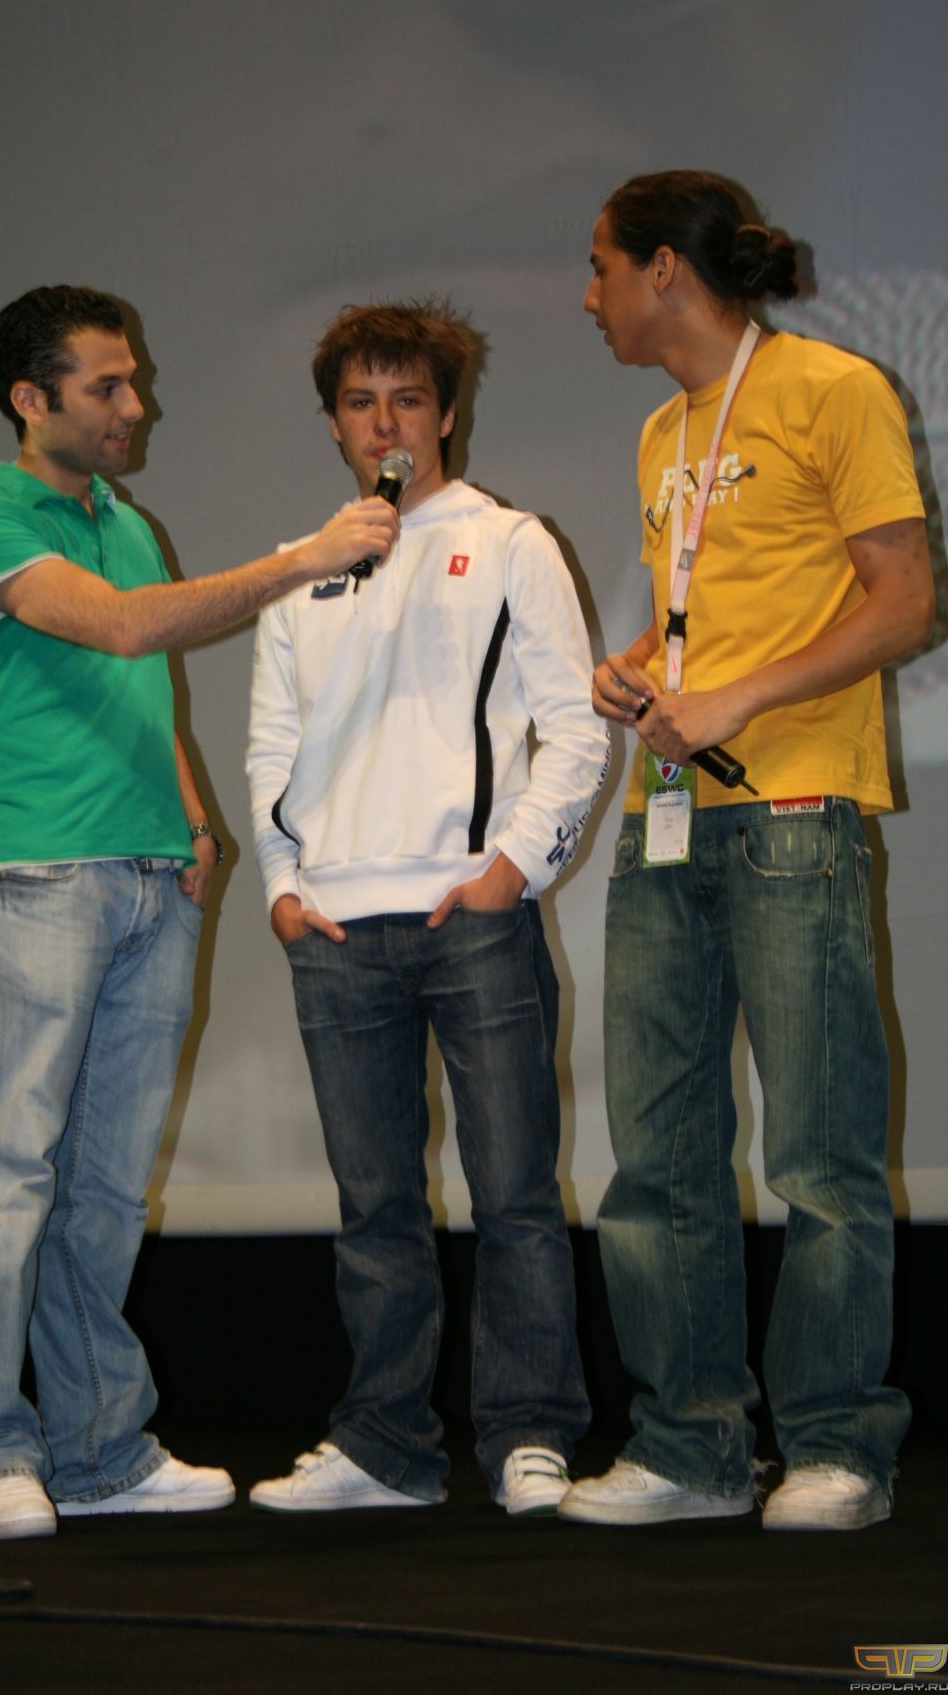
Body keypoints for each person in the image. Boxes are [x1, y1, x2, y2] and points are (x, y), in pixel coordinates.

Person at [0, 285, 400, 1539]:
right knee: (8, 1173)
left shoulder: (124, 522)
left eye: (132, 379)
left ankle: (96, 1453)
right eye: (106, 386)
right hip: (36, 877)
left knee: (102, 1188)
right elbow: (128, 632)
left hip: (149, 881)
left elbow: (143, 696)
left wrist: (192, 821)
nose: (135, 404)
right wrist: (301, 559)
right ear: (31, 400)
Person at [559, 171, 933, 1532]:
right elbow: (705, 615)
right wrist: (640, 669)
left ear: (664, 268)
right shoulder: (663, 431)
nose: (587, 296)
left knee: (820, 1152)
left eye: (600, 266)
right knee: (657, 1150)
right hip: (669, 810)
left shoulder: (834, 388)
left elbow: (904, 603)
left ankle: (837, 1445)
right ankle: (691, 1446)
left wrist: (737, 698)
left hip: (794, 809)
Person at [245, 300, 609, 1515]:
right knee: (375, 1208)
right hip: (335, 930)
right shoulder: (300, 568)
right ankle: (384, 1444)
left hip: (473, 918)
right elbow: (270, 744)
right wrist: (283, 888)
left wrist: (512, 869)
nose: (384, 423)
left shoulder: (508, 543)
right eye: (360, 403)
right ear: (333, 424)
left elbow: (572, 730)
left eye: (406, 399)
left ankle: (528, 1430)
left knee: (514, 1194)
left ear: (446, 414)